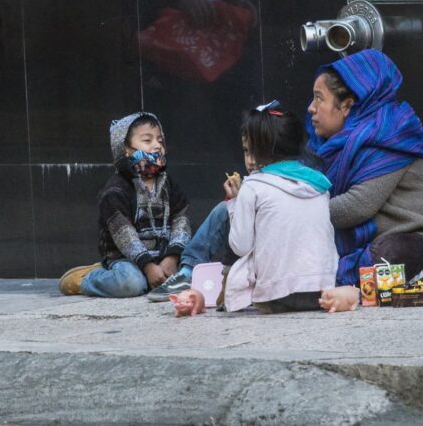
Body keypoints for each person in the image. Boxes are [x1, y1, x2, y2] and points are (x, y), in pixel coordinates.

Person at [148, 102, 358, 314]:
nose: (248, 159)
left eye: (249, 150)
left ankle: (192, 279)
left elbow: (241, 246)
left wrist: (234, 204)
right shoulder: (320, 185)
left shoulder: (254, 185)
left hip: (275, 297)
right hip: (320, 294)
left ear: (262, 151)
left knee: (234, 267)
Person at [307, 49, 423, 286]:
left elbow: (356, 206)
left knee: (387, 257)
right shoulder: (331, 146)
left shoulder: (387, 136)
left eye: (319, 98)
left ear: (347, 106)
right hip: (378, 238)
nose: (311, 107)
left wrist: (299, 212)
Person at [58, 112, 192, 297]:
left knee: (197, 270)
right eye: (147, 140)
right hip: (128, 259)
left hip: (163, 257)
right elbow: (125, 237)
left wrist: (172, 256)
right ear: (126, 149)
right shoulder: (116, 190)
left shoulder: (169, 184)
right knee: (132, 284)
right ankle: (86, 280)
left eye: (160, 140)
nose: (157, 145)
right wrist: (147, 265)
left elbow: (181, 219)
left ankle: (152, 275)